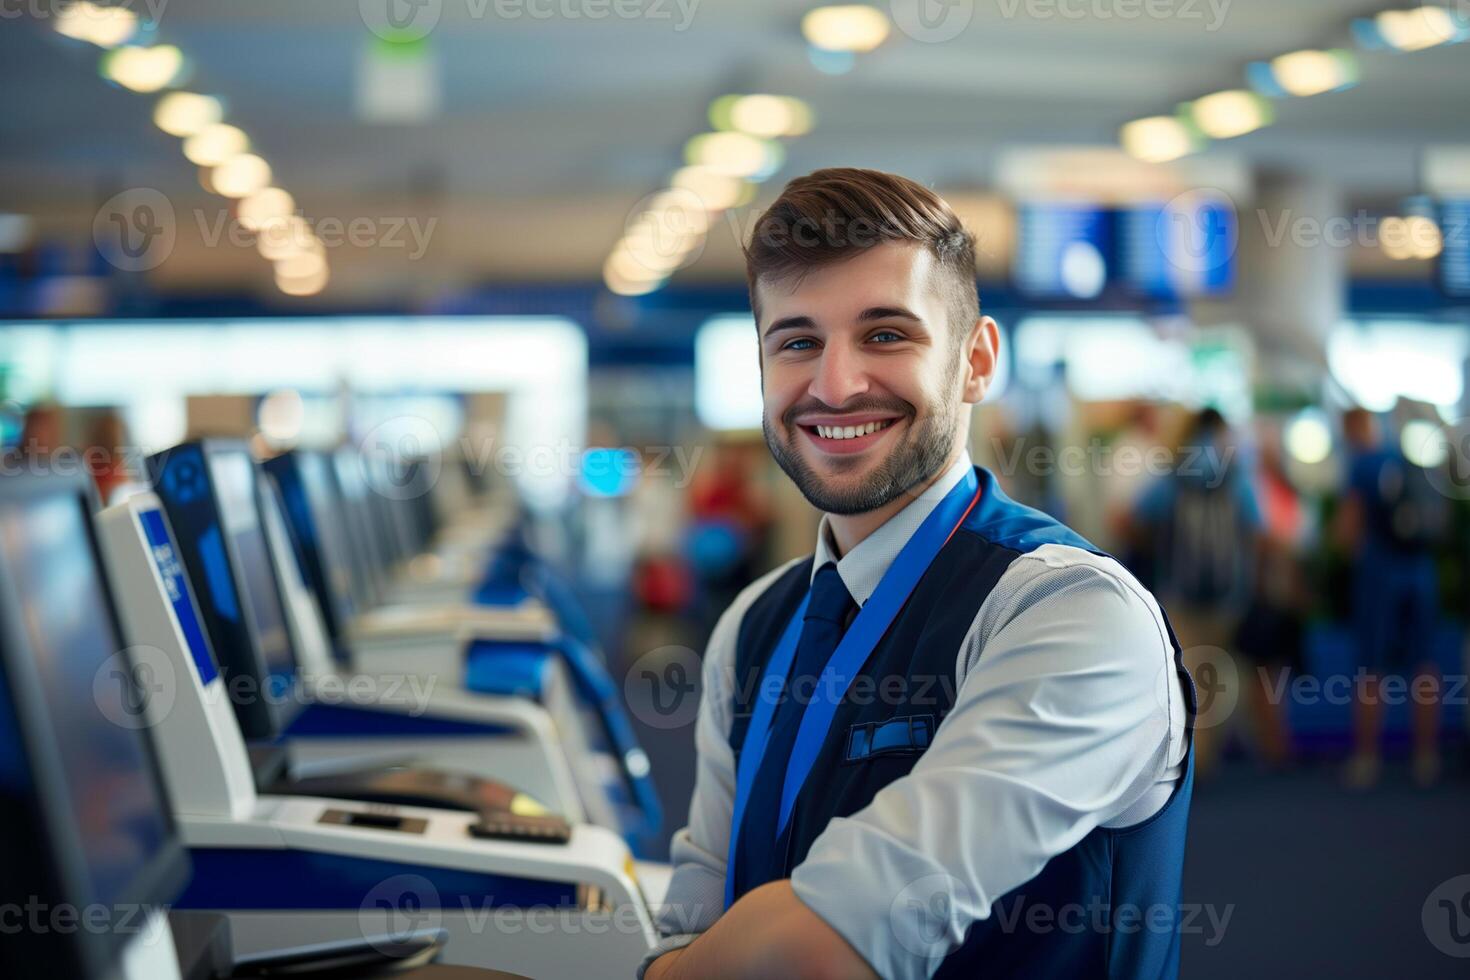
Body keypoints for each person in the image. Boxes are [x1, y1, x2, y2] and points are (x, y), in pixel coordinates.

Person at [643, 169, 1192, 980]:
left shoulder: (1068, 613)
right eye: (796, 342)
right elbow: (697, 911)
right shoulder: (755, 623)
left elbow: (834, 945)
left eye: (886, 334)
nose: (834, 385)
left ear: (976, 361)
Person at [1129, 407, 1262, 778]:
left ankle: (1189, 760)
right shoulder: (1237, 475)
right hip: (1229, 594)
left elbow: (1132, 517)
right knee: (1218, 676)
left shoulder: (1175, 474)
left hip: (1180, 591)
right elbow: (1257, 529)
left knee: (1185, 675)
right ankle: (1210, 756)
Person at [1335, 407, 1445, 789]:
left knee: (1370, 670)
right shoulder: (1408, 459)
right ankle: (1426, 758)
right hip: (1420, 573)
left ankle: (1367, 759)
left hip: (1379, 575)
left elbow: (1348, 531)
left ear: (1351, 429)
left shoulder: (1361, 466)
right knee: (1424, 666)